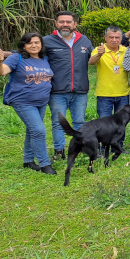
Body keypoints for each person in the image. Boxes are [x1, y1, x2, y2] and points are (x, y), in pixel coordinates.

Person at [0, 34, 56, 175]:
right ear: (23, 46)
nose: (34, 45)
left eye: (37, 42)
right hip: (23, 101)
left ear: (41, 44)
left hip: (41, 102)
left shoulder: (44, 59)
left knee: (32, 130)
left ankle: (28, 160)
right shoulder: (17, 58)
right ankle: (45, 164)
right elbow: (1, 71)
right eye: (29, 43)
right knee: (38, 131)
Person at [40, 11, 93, 161]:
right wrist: (5, 54)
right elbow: (29, 53)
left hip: (80, 90)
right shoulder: (46, 41)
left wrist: (126, 40)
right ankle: (59, 151)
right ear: (56, 23)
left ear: (75, 25)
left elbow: (97, 57)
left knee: (79, 121)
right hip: (57, 90)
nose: (65, 24)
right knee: (58, 122)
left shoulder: (84, 41)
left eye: (68, 22)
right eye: (61, 21)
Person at [88, 25, 130, 152]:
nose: (114, 40)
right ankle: (101, 149)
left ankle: (118, 147)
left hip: (123, 93)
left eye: (117, 37)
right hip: (105, 94)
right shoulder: (99, 50)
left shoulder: (125, 51)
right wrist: (99, 54)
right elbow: (91, 62)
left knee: (121, 124)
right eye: (111, 37)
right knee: (103, 124)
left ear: (121, 38)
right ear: (105, 38)